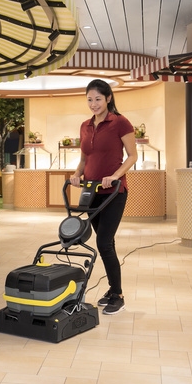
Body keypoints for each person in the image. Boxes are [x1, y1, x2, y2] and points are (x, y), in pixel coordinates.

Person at [69, 79, 138, 315]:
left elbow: (132, 155)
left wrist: (115, 175)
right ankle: (112, 289)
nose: (93, 103)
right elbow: (85, 159)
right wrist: (76, 174)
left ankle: (117, 294)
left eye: (98, 99)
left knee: (103, 243)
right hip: (91, 193)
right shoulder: (85, 126)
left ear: (108, 98)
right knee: (108, 243)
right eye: (89, 99)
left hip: (113, 193)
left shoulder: (120, 122)